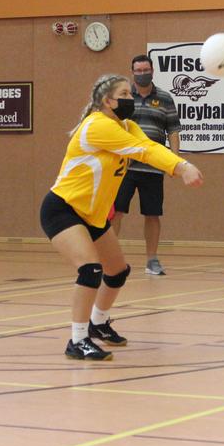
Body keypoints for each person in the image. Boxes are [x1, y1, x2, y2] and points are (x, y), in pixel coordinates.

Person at [41, 74, 203, 360]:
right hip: (63, 208)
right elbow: (143, 151)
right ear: (107, 101)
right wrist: (180, 167)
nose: (131, 98)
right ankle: (77, 340)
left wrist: (180, 163)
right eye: (125, 94)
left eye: (130, 93)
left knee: (117, 271)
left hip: (93, 216)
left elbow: (152, 145)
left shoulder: (125, 125)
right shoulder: (98, 125)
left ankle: (98, 323)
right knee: (90, 269)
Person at [112, 55, 182, 276]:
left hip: (152, 168)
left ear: (152, 70)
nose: (142, 73)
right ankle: (110, 258)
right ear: (132, 72)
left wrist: (174, 162)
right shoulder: (122, 98)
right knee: (116, 213)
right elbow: (109, 127)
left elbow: (173, 131)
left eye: (146, 69)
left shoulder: (164, 98)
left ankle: (152, 260)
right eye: (138, 70)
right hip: (124, 167)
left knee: (152, 214)